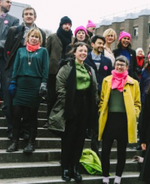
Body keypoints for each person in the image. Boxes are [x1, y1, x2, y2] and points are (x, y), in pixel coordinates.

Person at [49, 42, 98, 182]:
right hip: (71, 105)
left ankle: (75, 167)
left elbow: (94, 88)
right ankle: (65, 167)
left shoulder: (89, 69)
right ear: (74, 52)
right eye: (80, 50)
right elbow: (60, 85)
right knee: (68, 139)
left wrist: (93, 104)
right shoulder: (67, 67)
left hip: (85, 106)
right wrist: (67, 103)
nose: (83, 53)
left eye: (85, 51)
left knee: (80, 139)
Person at [4, 6, 46, 139]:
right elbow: (7, 49)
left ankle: (25, 129)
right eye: (26, 14)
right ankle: (12, 129)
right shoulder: (14, 30)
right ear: (23, 16)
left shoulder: (41, 32)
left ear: (35, 17)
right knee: (11, 102)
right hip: (15, 70)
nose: (28, 16)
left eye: (31, 14)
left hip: (32, 73)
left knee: (29, 104)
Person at [98, 56, 141, 184]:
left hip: (124, 120)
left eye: (122, 65)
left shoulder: (133, 82)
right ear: (114, 66)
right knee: (105, 150)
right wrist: (101, 110)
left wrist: (135, 114)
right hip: (109, 119)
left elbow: (137, 103)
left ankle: (118, 177)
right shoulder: (107, 80)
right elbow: (102, 100)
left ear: (127, 67)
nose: (119, 67)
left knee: (121, 151)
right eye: (117, 64)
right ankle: (105, 176)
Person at [6, 28, 49, 153]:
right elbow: (16, 67)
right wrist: (13, 82)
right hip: (21, 85)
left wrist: (44, 83)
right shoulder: (20, 51)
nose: (34, 38)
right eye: (32, 36)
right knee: (16, 115)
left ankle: (31, 143)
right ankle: (14, 142)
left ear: (39, 40)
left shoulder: (43, 51)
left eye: (37, 37)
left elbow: (45, 69)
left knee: (32, 116)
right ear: (28, 37)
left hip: (34, 86)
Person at [84, 35, 112, 157]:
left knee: (98, 125)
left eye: (103, 44)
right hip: (86, 96)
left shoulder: (107, 61)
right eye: (99, 43)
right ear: (92, 44)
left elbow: (111, 78)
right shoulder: (85, 59)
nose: (101, 46)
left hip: (102, 97)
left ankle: (96, 152)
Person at [44, 16, 73, 127]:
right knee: (51, 96)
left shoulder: (72, 39)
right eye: (65, 24)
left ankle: (61, 119)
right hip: (53, 71)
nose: (67, 26)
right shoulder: (53, 37)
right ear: (61, 25)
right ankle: (49, 119)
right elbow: (47, 53)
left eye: (69, 24)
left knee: (64, 96)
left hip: (67, 72)